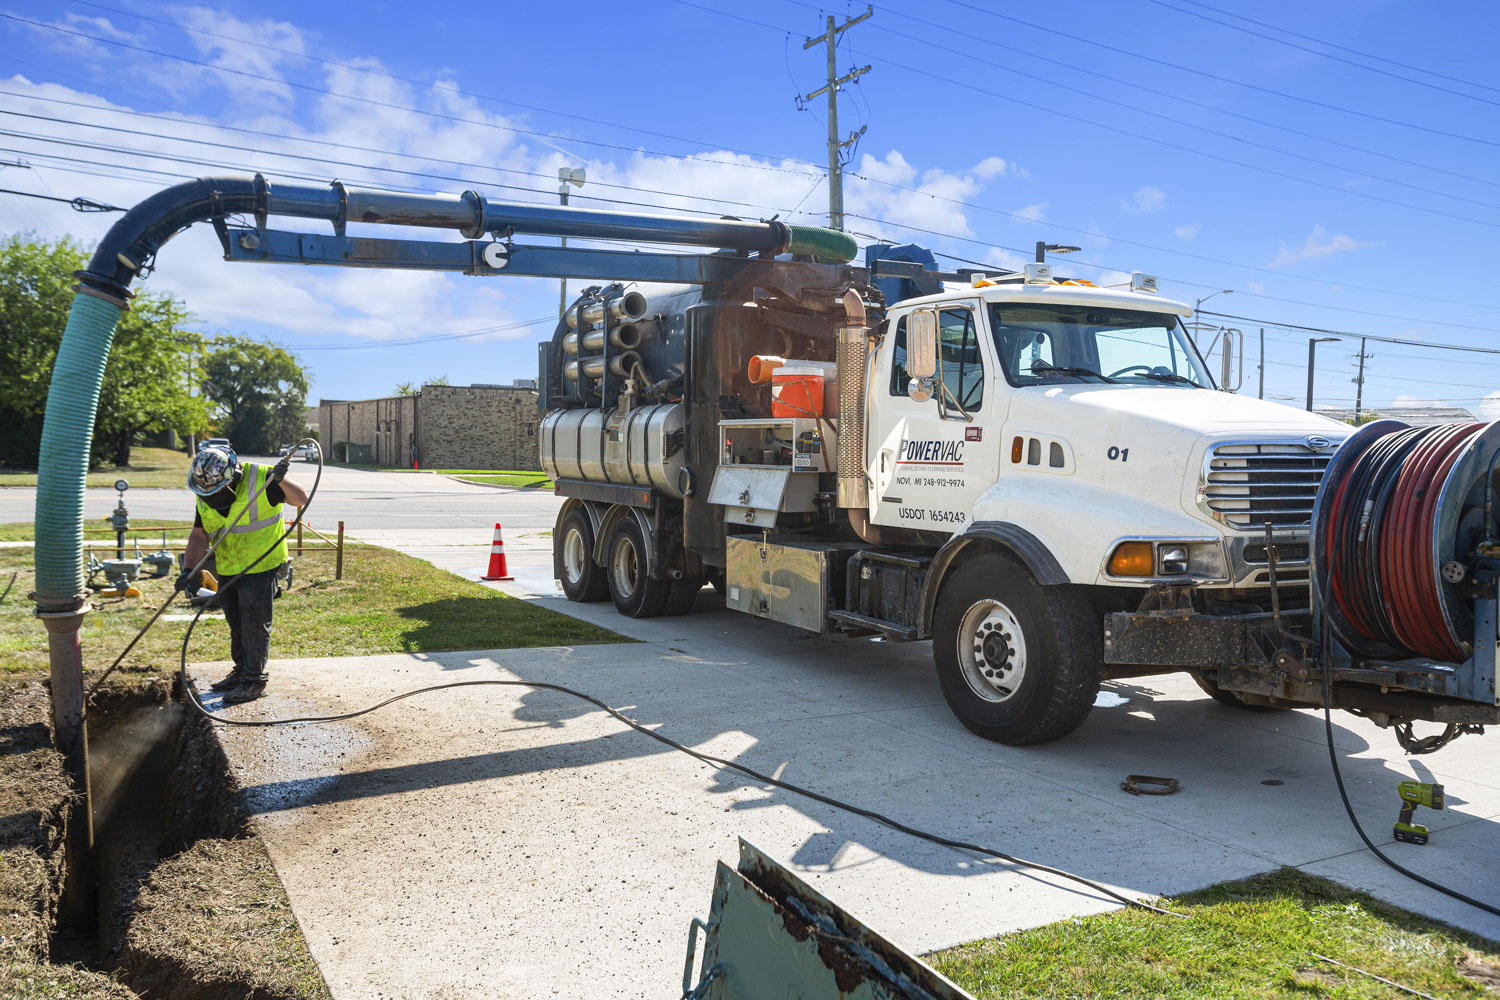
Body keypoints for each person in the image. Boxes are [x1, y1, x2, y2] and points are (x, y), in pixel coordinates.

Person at [177, 446, 309, 703]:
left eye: (215, 492)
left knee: (253, 623)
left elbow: (300, 498)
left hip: (262, 564)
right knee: (236, 623)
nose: (210, 497)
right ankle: (241, 672)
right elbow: (200, 534)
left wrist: (281, 479)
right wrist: (188, 570)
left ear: (231, 479)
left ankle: (254, 681)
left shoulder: (262, 479)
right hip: (229, 566)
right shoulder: (204, 489)